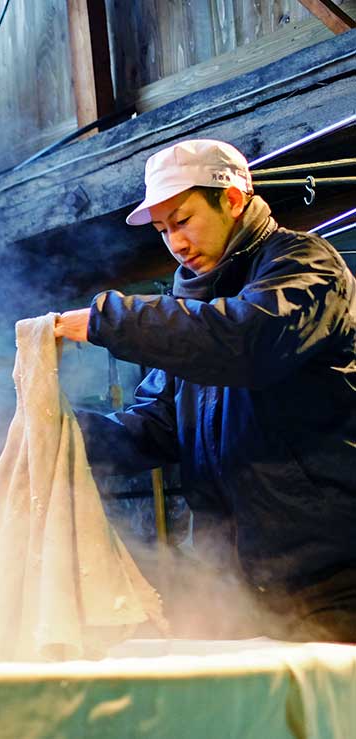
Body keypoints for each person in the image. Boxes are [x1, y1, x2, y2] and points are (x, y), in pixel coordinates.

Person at [54, 138, 356, 641]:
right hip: (233, 590)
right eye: (163, 229)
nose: (174, 242)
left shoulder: (307, 266)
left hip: (331, 585)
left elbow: (247, 341)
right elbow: (155, 425)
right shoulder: (191, 313)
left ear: (233, 199)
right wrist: (65, 438)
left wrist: (109, 320)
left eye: (183, 220)